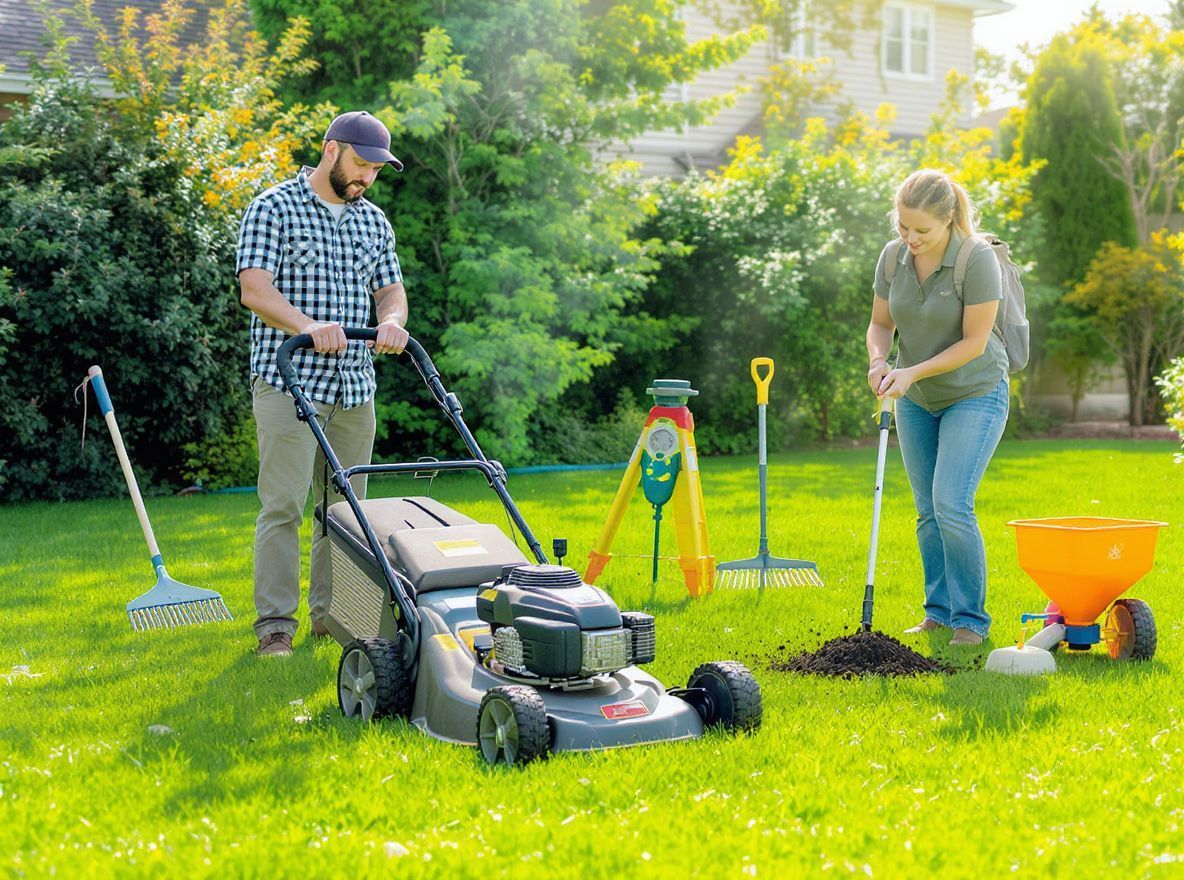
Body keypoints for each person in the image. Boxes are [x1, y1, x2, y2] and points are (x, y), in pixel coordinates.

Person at [236, 111, 410, 657]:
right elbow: (255, 291)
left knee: (345, 514)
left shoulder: (373, 221)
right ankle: (275, 629)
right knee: (283, 507)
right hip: (289, 382)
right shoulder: (273, 207)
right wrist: (309, 328)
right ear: (332, 150)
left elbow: (391, 291)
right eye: (361, 165)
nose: (366, 178)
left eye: (376, 170)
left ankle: (337, 622)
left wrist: (393, 322)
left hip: (355, 388)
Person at [865, 169, 1008, 647]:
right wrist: (880, 360)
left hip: (975, 392)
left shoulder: (976, 259)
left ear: (948, 219)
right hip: (916, 399)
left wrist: (910, 372)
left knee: (952, 504)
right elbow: (880, 324)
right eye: (903, 227)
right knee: (927, 511)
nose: (911, 239)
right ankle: (939, 613)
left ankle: (971, 621)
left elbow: (974, 342)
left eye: (922, 231)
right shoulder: (893, 258)